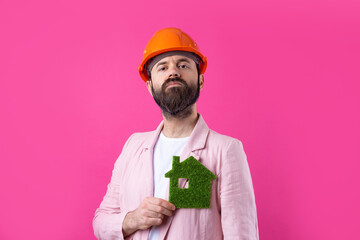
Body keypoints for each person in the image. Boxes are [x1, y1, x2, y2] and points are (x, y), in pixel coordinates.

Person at [93, 27, 259, 240]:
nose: (173, 72)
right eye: (162, 67)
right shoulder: (133, 146)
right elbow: (101, 221)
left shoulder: (225, 150)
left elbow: (241, 235)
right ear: (150, 85)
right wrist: (132, 219)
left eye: (183, 65)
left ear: (200, 79)